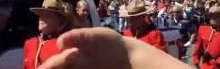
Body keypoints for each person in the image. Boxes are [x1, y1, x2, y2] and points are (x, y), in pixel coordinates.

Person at [37, 28, 191, 69]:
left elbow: (160, 54)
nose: (132, 19)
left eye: (136, 16)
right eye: (130, 17)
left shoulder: (154, 34)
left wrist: (130, 55)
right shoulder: (127, 32)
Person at [23, 0, 70, 69]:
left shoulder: (64, 45)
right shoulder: (30, 43)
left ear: (60, 22)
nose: (41, 19)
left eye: (47, 16)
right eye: (40, 15)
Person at [193, 5, 220, 69]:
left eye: (215, 15)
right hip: (206, 65)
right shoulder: (203, 29)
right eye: (210, 15)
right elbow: (198, 47)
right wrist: (196, 60)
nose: (212, 17)